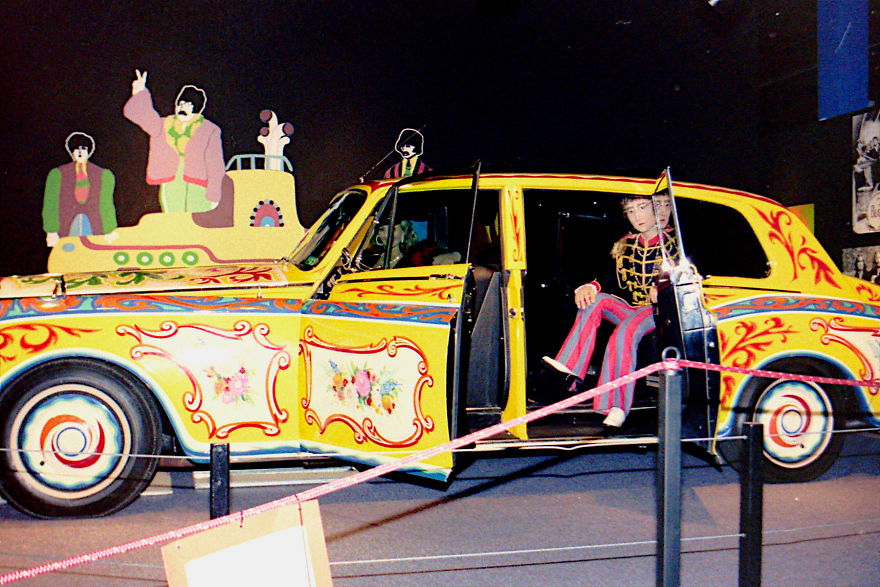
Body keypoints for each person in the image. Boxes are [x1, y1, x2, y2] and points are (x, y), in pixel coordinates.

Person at [543, 194, 678, 428]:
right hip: (633, 308)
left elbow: (688, 276)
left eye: (643, 208)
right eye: (632, 211)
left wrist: (665, 287)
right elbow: (609, 277)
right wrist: (591, 286)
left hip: (659, 311)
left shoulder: (675, 243)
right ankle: (571, 369)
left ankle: (616, 405)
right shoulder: (626, 243)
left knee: (625, 332)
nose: (638, 216)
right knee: (595, 301)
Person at [123, 69, 226, 213]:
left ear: (197, 109)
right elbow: (141, 115)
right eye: (181, 103)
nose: (183, 108)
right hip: (171, 178)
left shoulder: (209, 130)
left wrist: (215, 193)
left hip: (199, 182)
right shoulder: (164, 124)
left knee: (196, 217)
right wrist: (139, 92)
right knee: (173, 215)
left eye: (188, 105)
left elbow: (216, 164)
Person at [42, 132, 117, 247]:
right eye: (76, 149)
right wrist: (51, 231)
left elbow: (106, 203)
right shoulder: (58, 174)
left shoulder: (103, 175)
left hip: (94, 225)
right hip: (66, 225)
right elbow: (51, 204)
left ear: (89, 151)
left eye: (84, 148)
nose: (80, 152)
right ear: (71, 151)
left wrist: (109, 230)